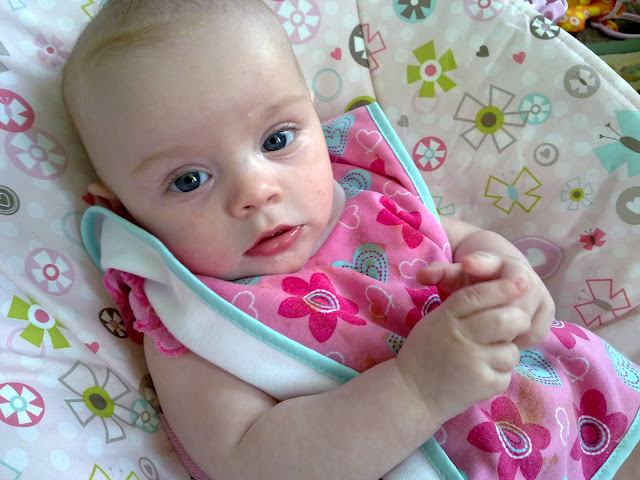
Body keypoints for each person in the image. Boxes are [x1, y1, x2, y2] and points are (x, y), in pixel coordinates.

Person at [63, 1, 640, 479]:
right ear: (121, 210)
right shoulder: (197, 317)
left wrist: (509, 281)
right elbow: (248, 461)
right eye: (189, 180)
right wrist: (415, 390)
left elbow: (462, 241)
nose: (257, 191)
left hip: (579, 410)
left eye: (277, 139)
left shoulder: (364, 193)